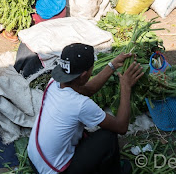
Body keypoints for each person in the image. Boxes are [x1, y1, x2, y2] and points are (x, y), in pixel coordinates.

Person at [27, 43, 143, 174]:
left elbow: (88, 90)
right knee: (107, 137)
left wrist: (112, 65)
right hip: (55, 171)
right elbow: (121, 127)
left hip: (35, 159)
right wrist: (126, 87)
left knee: (88, 137)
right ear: (83, 75)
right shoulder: (80, 104)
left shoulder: (54, 83)